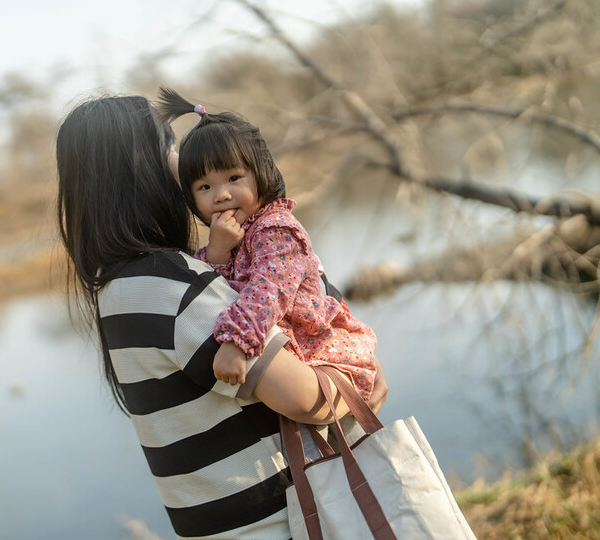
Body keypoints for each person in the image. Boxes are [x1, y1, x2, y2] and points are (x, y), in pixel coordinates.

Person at [55, 94, 387, 539]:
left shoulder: (118, 287)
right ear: (143, 169)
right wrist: (364, 378)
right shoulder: (171, 285)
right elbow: (307, 397)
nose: (182, 163)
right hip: (269, 523)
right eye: (170, 148)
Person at [157, 88, 379, 399]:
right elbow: (217, 294)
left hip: (324, 351)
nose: (221, 194)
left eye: (234, 178)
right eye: (205, 186)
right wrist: (218, 252)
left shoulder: (275, 230)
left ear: (261, 174)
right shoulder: (236, 233)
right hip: (290, 355)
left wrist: (236, 343)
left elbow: (268, 288)